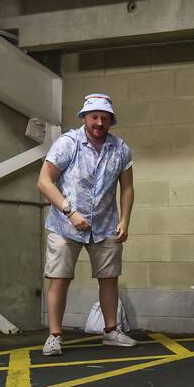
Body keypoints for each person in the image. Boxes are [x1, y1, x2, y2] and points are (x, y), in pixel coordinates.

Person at [37, 93, 136, 355]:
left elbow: (127, 189)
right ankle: (55, 336)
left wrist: (125, 220)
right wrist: (69, 212)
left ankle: (111, 331)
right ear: (84, 117)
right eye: (94, 117)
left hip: (105, 224)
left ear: (111, 121)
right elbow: (44, 182)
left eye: (105, 118)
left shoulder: (121, 149)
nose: (99, 123)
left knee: (109, 279)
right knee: (59, 278)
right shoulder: (67, 144)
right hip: (65, 225)